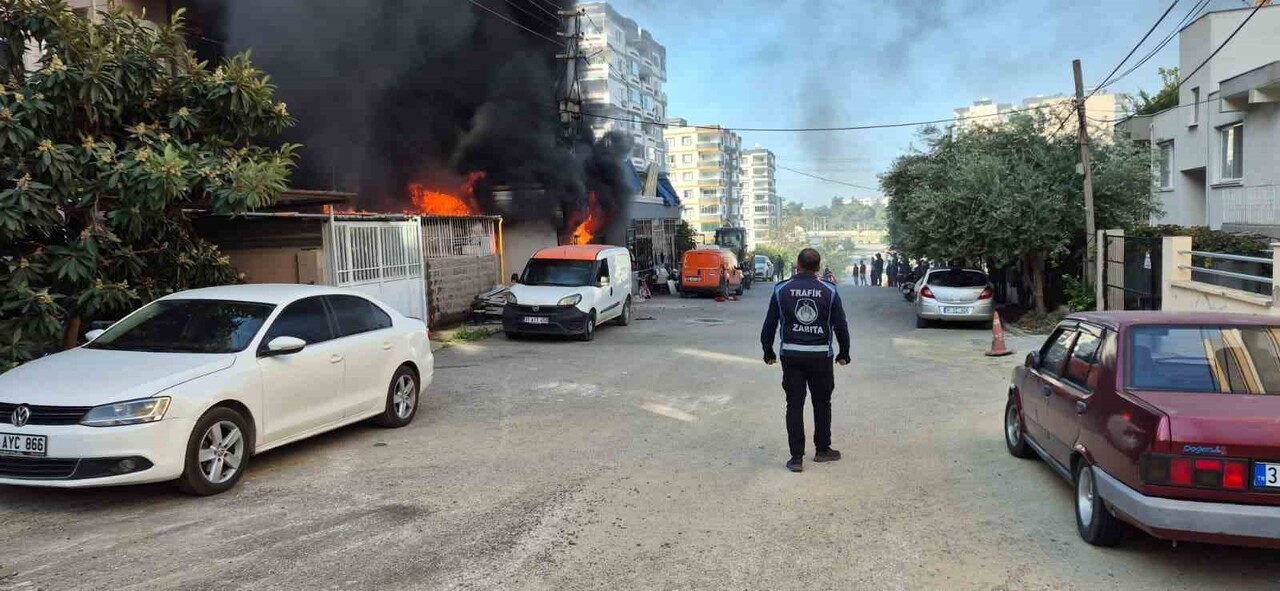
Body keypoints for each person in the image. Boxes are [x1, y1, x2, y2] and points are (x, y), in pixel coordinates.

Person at [760, 248, 851, 473]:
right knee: (822, 403)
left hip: (791, 355)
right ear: (818, 267)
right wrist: (844, 353)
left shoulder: (781, 289)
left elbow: (770, 324)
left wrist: (768, 351)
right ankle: (822, 449)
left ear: (797, 265)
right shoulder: (829, 290)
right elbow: (841, 325)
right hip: (821, 356)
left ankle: (796, 458)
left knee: (794, 404)